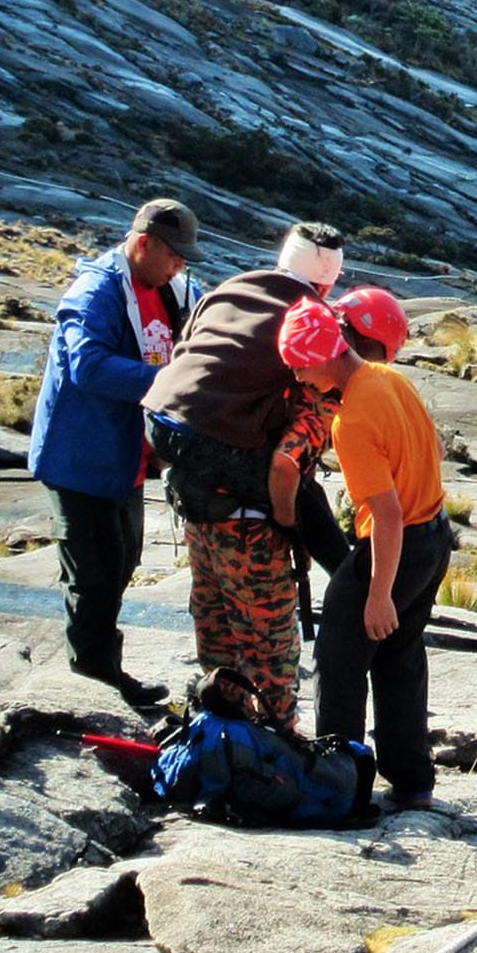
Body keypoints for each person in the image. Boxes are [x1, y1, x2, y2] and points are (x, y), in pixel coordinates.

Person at [143, 223, 345, 725]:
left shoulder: (227, 290)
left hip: (181, 468)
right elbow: (292, 450)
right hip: (243, 504)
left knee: (213, 620)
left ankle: (217, 728)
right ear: (328, 281)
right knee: (269, 640)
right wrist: (287, 521)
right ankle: (275, 745)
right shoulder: (313, 321)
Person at [27, 198, 204, 705]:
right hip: (81, 458)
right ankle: (92, 678)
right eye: (175, 254)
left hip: (124, 457)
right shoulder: (95, 291)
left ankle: (101, 666)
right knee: (95, 572)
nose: (181, 264)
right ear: (144, 243)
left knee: (121, 559)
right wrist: (169, 381)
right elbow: (89, 367)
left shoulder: (170, 289)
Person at [288, 290, 452, 811]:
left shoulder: (350, 420)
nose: (298, 380)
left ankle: (341, 784)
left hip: (396, 546)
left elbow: (386, 515)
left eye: (299, 367)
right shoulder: (391, 378)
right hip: (435, 539)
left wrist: (378, 594)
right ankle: (411, 781)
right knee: (400, 657)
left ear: (323, 355)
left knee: (339, 657)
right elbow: (436, 448)